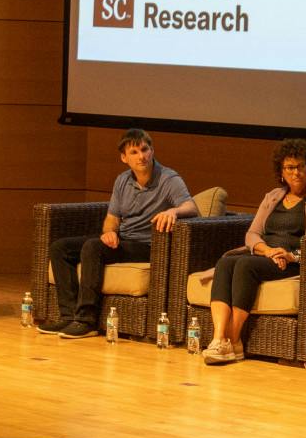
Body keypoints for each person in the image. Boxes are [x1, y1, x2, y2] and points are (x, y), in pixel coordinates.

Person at [44, 128, 197, 339]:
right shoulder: (123, 180)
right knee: (60, 248)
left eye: (145, 149)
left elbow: (191, 207)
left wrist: (173, 211)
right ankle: (69, 316)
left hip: (148, 245)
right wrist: (109, 233)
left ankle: (86, 320)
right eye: (134, 152)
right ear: (124, 158)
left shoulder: (168, 179)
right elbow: (112, 218)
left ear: (152, 151)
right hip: (123, 240)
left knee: (93, 247)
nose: (141, 156)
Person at [203, 138, 306, 364]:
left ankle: (234, 340)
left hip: (294, 261)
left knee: (245, 265)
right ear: (281, 172)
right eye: (290, 168)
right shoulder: (273, 196)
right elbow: (252, 234)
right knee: (225, 263)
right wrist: (268, 251)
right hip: (268, 255)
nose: (296, 172)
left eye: (301, 166)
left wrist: (291, 255)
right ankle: (219, 339)